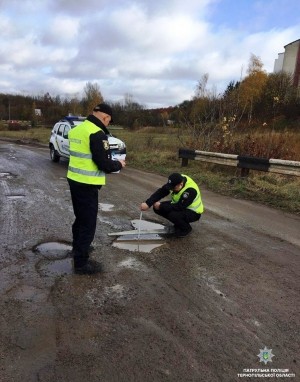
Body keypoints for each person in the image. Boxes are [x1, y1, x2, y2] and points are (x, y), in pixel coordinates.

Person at [67, 103, 126, 274]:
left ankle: (77, 249)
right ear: (106, 117)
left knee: (80, 218)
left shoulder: (77, 129)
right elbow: (104, 164)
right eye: (109, 121)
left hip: (74, 179)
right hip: (87, 184)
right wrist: (119, 164)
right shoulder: (97, 134)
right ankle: (81, 263)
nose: (108, 124)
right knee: (88, 223)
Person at [140, 173, 203, 237]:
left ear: (181, 184)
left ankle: (186, 229)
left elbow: (180, 207)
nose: (171, 189)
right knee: (157, 208)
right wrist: (148, 203)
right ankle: (178, 223)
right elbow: (162, 192)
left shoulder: (190, 190)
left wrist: (161, 206)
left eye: (173, 188)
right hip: (180, 205)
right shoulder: (176, 179)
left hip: (193, 212)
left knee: (173, 215)